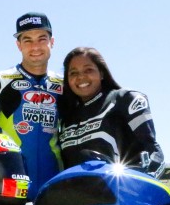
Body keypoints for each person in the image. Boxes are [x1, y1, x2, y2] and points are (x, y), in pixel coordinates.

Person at [0, 12, 63, 200]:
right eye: (27, 40)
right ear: (18, 45)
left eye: (42, 38)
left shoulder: (65, 86)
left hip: (55, 186)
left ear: (52, 42)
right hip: (8, 187)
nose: (35, 46)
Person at [58, 47, 164, 178]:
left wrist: (145, 180)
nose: (81, 77)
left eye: (88, 70)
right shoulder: (65, 117)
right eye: (73, 73)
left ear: (101, 73)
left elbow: (153, 150)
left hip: (124, 192)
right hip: (73, 196)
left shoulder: (126, 99)